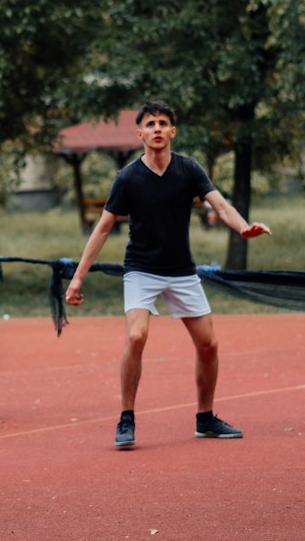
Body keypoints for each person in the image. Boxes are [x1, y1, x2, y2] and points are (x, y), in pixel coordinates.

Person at [65, 101, 271, 448]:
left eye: (163, 123)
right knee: (136, 337)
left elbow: (219, 204)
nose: (157, 129)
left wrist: (242, 228)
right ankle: (126, 420)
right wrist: (77, 278)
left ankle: (205, 420)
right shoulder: (127, 178)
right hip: (141, 271)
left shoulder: (188, 169)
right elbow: (102, 229)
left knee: (209, 345)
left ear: (172, 132)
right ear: (140, 133)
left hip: (181, 272)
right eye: (150, 124)